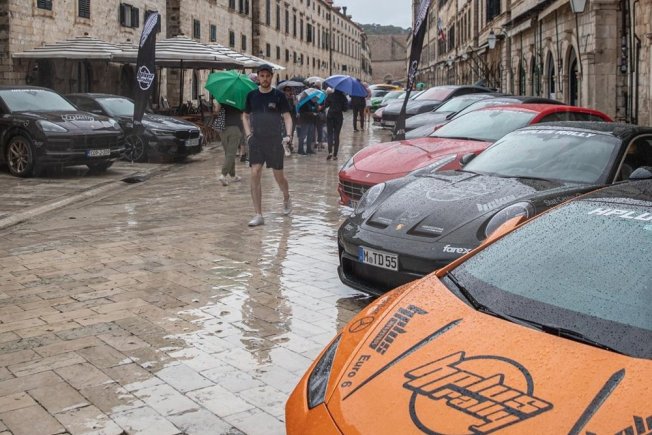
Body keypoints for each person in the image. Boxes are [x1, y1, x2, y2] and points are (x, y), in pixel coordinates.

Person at [242, 64, 293, 227]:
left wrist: (289, 135)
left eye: (267, 76)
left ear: (271, 77)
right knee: (255, 172)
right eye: (262, 76)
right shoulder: (251, 95)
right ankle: (258, 214)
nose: (264, 79)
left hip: (275, 141)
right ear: (258, 77)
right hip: (257, 140)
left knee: (279, 177)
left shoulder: (279, 96)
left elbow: (287, 117)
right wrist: (248, 135)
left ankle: (286, 196)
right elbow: (245, 116)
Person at [214, 101, 244, 186]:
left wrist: (217, 103)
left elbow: (216, 110)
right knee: (231, 154)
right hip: (235, 128)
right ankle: (223, 175)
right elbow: (243, 115)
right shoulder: (239, 100)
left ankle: (233, 175)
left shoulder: (222, 99)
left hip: (223, 129)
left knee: (228, 153)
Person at [325, 88, 348, 160]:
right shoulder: (343, 97)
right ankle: (335, 155)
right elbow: (345, 109)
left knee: (330, 134)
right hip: (338, 117)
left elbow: (326, 105)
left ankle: (330, 152)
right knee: (336, 135)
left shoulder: (330, 95)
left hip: (330, 116)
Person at [283, 86, 297, 153]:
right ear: (285, 91)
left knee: (291, 131)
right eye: (287, 90)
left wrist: (294, 99)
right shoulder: (283, 99)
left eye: (289, 90)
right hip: (285, 118)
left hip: (293, 116)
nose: (288, 92)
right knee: (286, 132)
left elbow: (295, 105)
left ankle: (290, 145)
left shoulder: (292, 98)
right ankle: (286, 146)